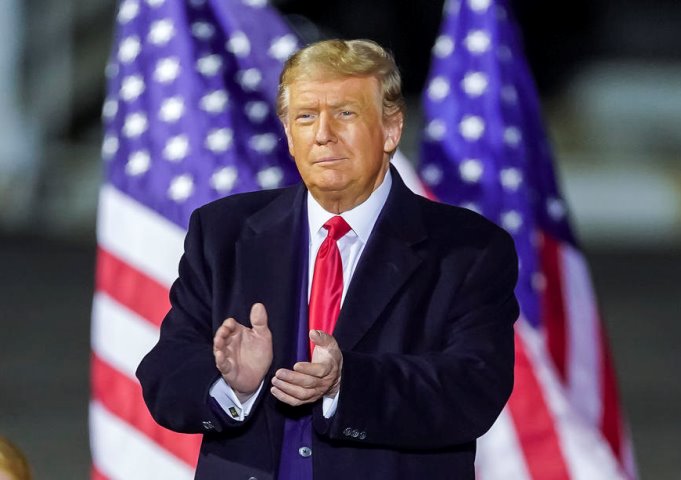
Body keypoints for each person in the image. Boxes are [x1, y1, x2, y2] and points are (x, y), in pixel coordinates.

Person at [137, 38, 519, 480]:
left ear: (391, 128)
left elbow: (473, 389)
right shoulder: (223, 232)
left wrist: (346, 382)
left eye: (345, 113)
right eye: (305, 116)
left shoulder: (468, 248)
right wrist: (231, 385)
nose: (323, 134)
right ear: (288, 135)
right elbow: (164, 376)